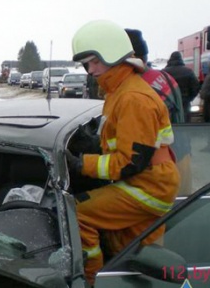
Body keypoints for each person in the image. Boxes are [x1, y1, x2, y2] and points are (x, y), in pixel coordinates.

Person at [68, 20, 180, 285]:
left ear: (114, 54)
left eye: (95, 61)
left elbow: (130, 162)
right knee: (136, 253)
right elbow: (123, 145)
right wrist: (93, 146)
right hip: (145, 181)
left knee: (76, 212)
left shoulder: (132, 98)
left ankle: (91, 280)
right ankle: (123, 278)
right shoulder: (119, 91)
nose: (90, 69)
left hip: (148, 186)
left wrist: (81, 164)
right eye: (87, 63)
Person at [163, 51, 200, 122]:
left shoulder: (164, 72)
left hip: (168, 103)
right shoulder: (188, 71)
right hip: (184, 102)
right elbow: (196, 87)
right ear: (181, 59)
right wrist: (189, 98)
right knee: (184, 123)